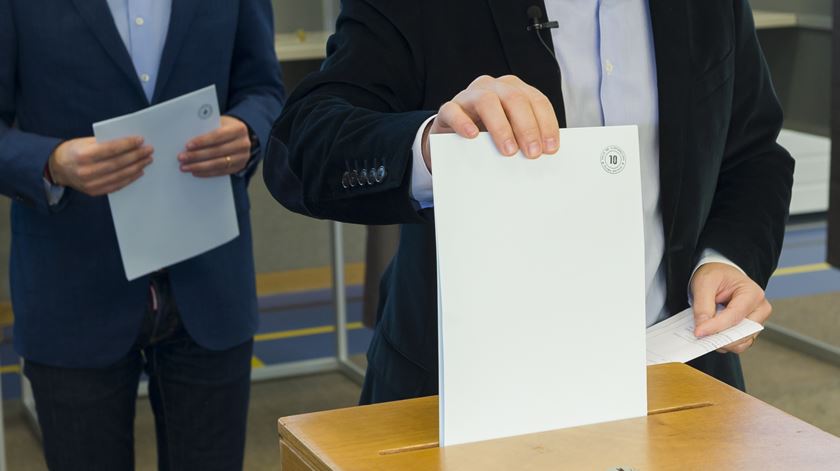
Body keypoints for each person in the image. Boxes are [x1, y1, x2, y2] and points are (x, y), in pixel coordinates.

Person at [264, 0, 793, 404]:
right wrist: (431, 146)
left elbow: (753, 153)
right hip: (472, 398)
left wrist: (729, 260)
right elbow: (299, 148)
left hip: (682, 380)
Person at [0, 0, 283, 469]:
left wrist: (249, 131)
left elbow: (264, 89)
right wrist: (51, 163)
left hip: (210, 279)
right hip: (72, 286)